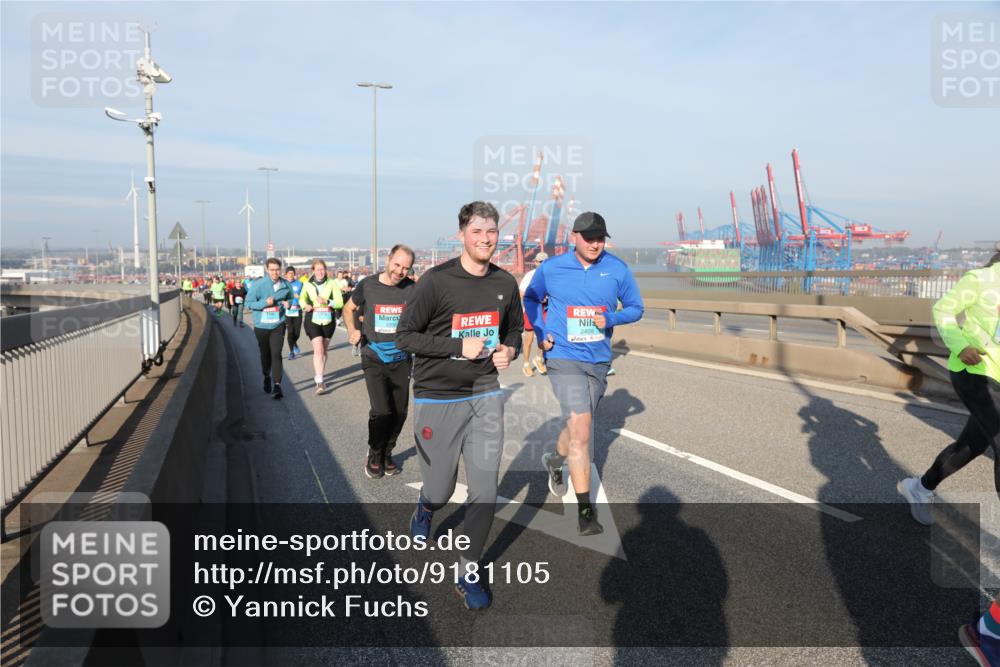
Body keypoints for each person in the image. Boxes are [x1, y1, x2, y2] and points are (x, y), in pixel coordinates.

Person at [396, 201, 523, 610]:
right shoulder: (435, 282)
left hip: (485, 394)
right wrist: (457, 346)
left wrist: (510, 351)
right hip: (437, 398)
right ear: (462, 235)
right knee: (441, 488)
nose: (486, 238)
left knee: (485, 490)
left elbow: (515, 330)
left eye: (491, 231)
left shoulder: (505, 283)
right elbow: (405, 336)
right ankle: (426, 507)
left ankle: (468, 569)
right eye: (477, 231)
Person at [893, 245, 999, 665]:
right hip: (974, 371)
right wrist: (961, 342)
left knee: (972, 445)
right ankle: (990, 635)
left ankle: (920, 487)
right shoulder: (982, 280)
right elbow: (943, 311)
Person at [524, 212, 644, 536]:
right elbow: (531, 298)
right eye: (589, 237)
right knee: (582, 429)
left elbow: (636, 307)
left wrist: (611, 319)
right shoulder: (552, 268)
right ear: (573, 236)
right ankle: (585, 510)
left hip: (598, 362)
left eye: (600, 238)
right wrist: (540, 330)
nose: (595, 244)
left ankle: (554, 459)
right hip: (563, 357)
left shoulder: (617, 269)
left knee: (577, 426)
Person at [344, 245, 416, 479]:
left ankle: (388, 452)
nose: (400, 271)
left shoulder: (412, 289)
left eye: (405, 268)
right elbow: (348, 308)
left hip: (401, 358)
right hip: (374, 355)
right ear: (388, 260)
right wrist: (352, 330)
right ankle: (375, 452)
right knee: (382, 410)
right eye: (397, 265)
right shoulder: (368, 284)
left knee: (400, 412)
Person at [245, 258, 293, 400]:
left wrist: (288, 303)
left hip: (278, 323)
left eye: (277, 269)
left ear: (281, 269)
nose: (275, 272)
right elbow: (248, 303)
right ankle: (266, 375)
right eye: (272, 270)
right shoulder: (258, 284)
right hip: (261, 325)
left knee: (276, 353)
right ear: (267, 270)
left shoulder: (285, 284)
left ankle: (277, 385)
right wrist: (264, 303)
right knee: (265, 354)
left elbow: (291, 298)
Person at [298, 259, 343, 394]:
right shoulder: (307, 284)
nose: (320, 272)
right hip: (312, 319)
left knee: (323, 351)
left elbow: (340, 302)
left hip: (328, 320)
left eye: (322, 269)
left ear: (326, 270)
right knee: (318, 349)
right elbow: (301, 299)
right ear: (313, 271)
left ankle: (320, 374)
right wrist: (304, 305)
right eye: (317, 270)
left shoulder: (332, 283)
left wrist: (327, 301)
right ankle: (320, 381)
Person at [519, 252, 549, 377]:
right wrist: (538, 299)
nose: (542, 264)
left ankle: (538, 359)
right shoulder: (529, 275)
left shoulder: (549, 276)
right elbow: (521, 293)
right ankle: (526, 364)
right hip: (532, 310)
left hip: (546, 309)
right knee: (529, 339)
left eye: (545, 262)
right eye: (540, 262)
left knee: (544, 337)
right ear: (536, 262)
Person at [284, 266, 303, 360]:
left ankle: (294, 343)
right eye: (289, 273)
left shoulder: (300, 284)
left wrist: (299, 297)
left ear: (294, 274)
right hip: (287, 311)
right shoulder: (283, 284)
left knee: (297, 333)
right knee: (290, 332)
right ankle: (291, 351)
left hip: (298, 310)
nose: (290, 275)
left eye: (292, 273)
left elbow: (303, 296)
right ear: (286, 274)